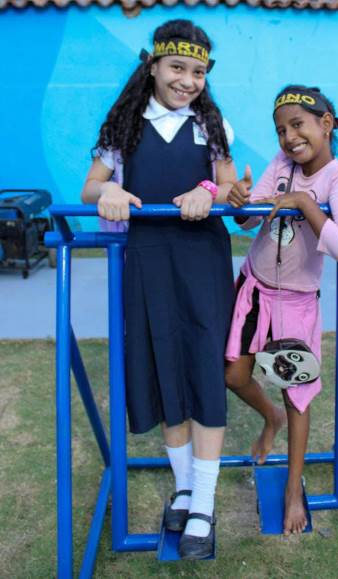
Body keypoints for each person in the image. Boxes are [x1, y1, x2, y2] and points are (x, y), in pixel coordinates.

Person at [81, 19, 237, 560]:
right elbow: (91, 186)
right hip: (146, 263)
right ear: (152, 65)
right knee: (164, 369)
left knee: (203, 372)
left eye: (198, 72)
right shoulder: (123, 126)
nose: (187, 80)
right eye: (177, 67)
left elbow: (229, 184)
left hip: (202, 262)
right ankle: (185, 488)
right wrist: (109, 190)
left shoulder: (211, 124)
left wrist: (208, 189)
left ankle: (204, 506)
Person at [225, 85, 338, 536]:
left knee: (296, 394)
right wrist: (240, 202)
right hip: (253, 289)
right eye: (281, 130)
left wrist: (306, 203)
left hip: (295, 304)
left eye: (297, 125)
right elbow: (251, 219)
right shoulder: (282, 165)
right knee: (233, 376)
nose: (289, 137)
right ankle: (271, 418)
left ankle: (291, 489)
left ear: (326, 124)